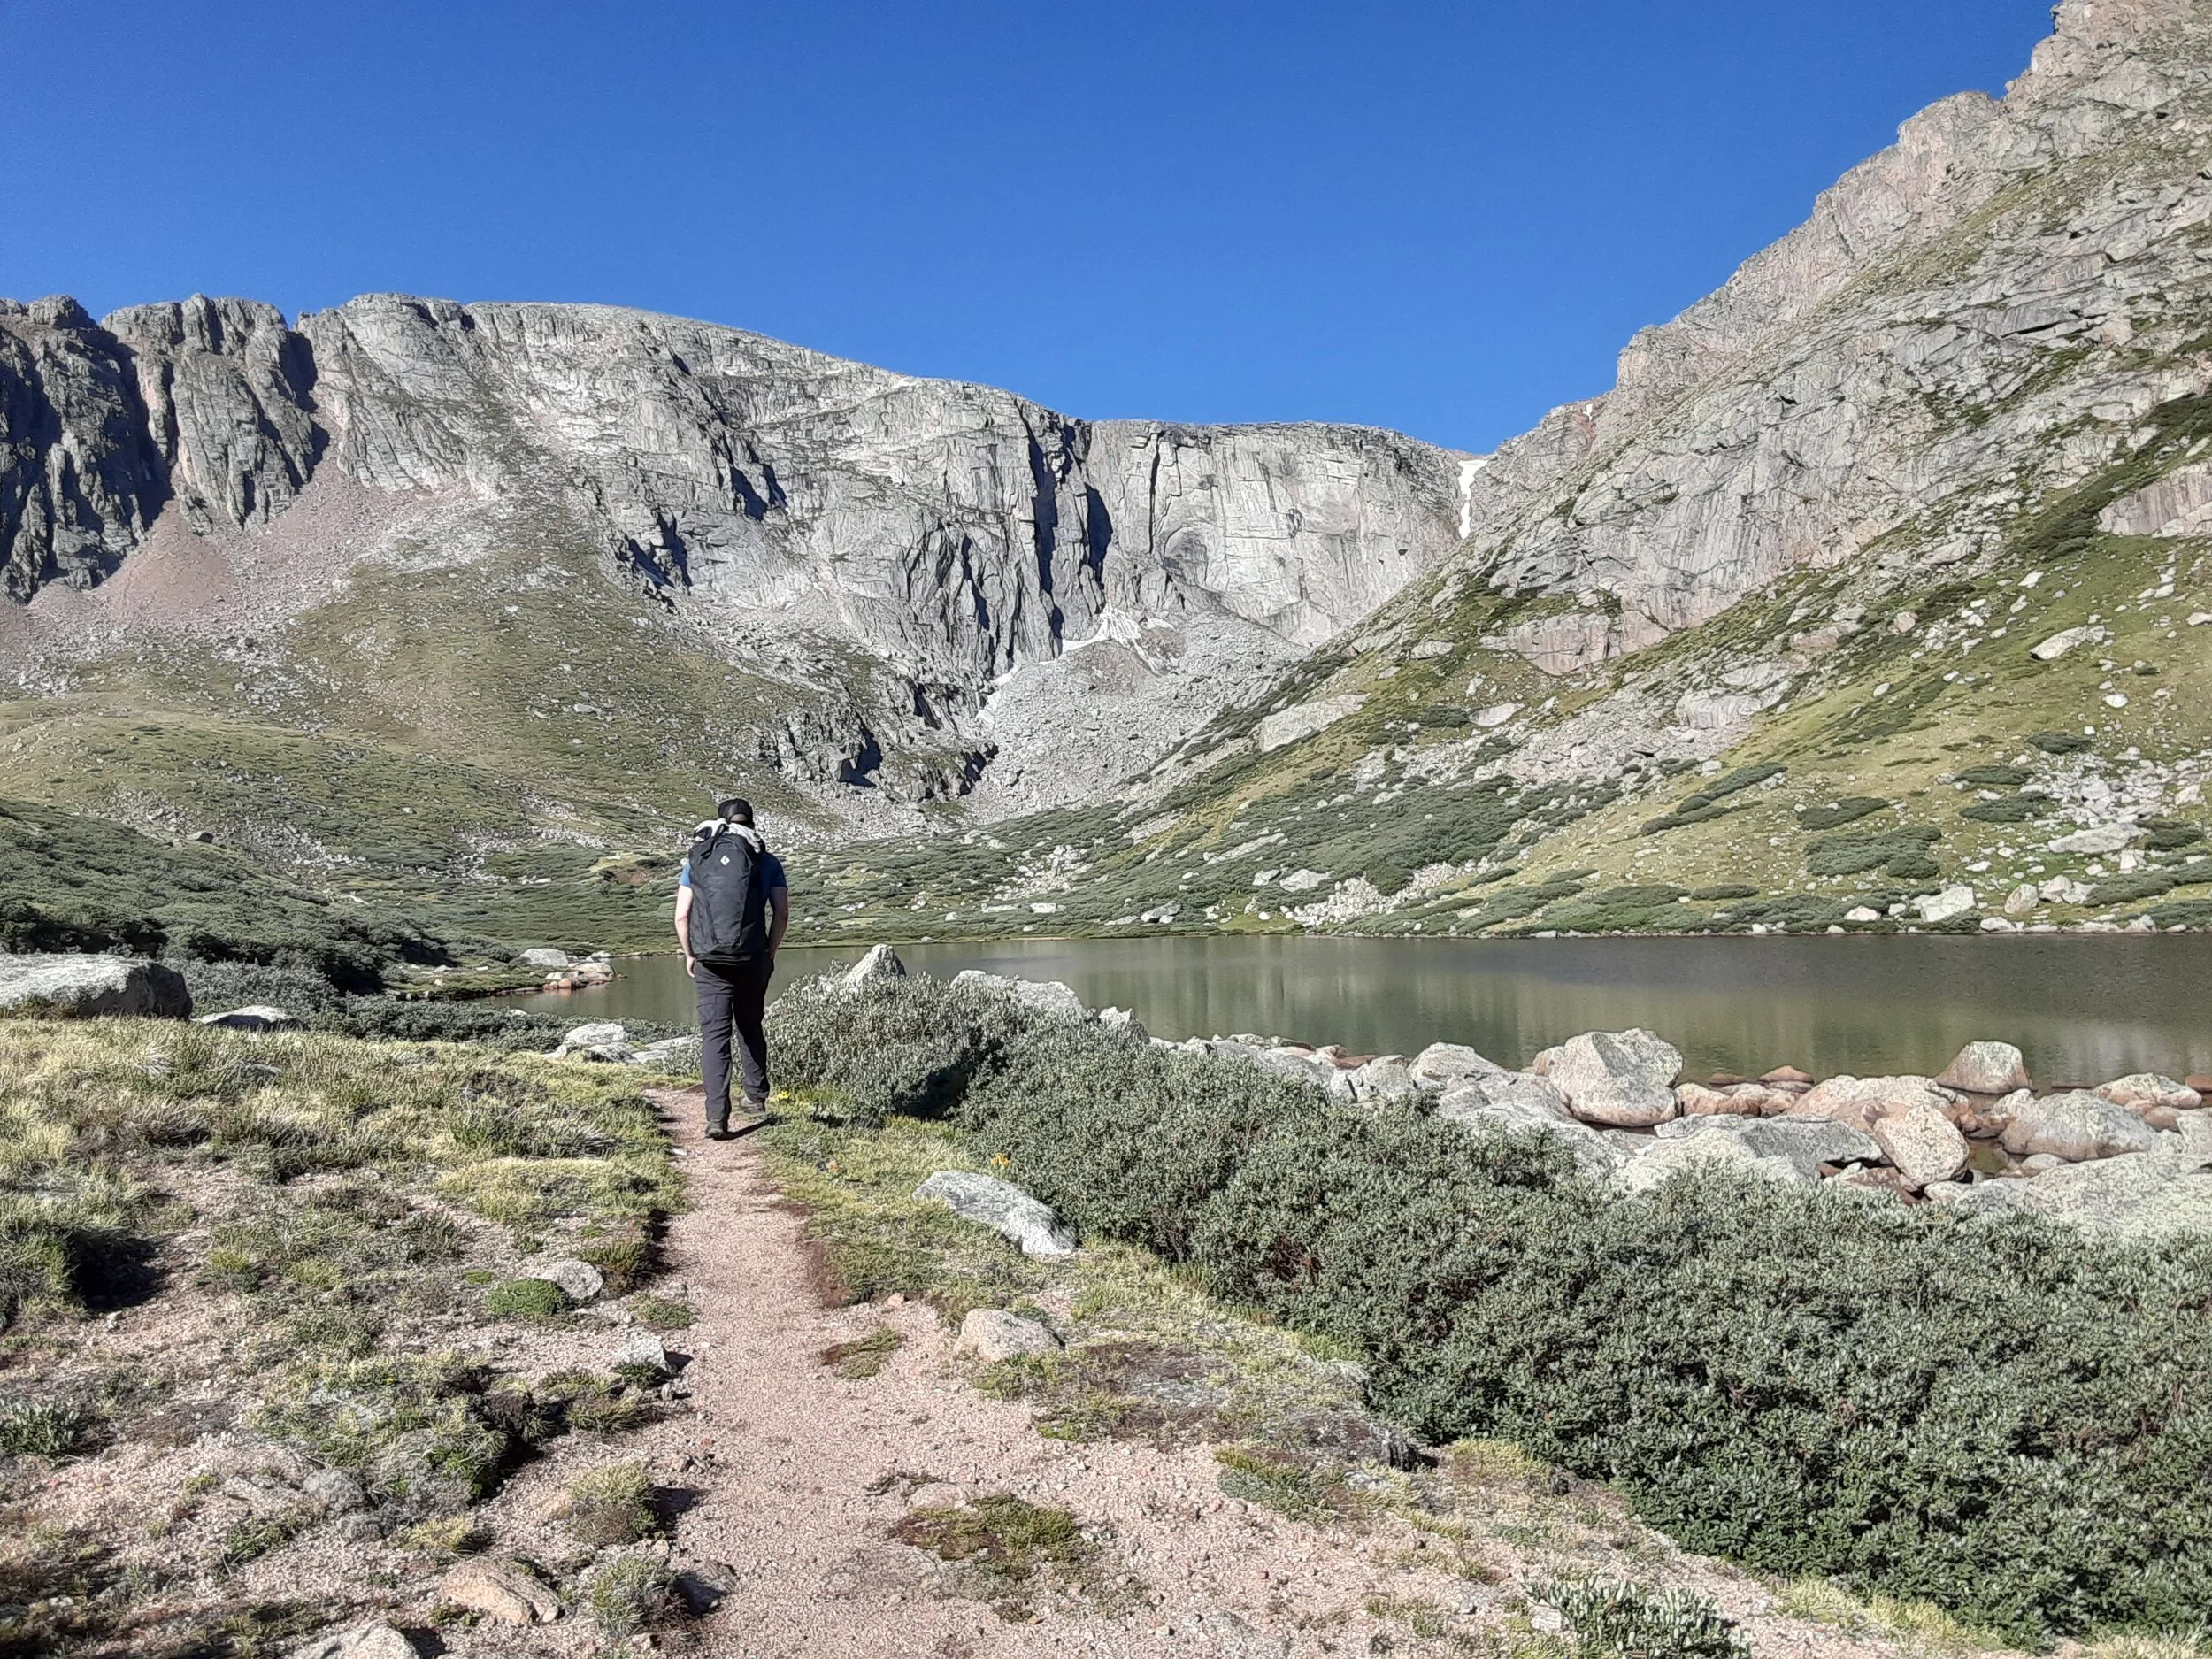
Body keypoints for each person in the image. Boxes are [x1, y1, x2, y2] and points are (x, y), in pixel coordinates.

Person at [672, 797, 788, 1140]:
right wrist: (769, 952)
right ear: (751, 823)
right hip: (753, 958)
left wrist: (691, 953)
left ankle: (716, 1119)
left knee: (714, 1036)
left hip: (710, 960)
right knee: (750, 1026)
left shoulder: (699, 859)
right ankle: (755, 1097)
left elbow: (681, 916)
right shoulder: (766, 861)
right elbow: (781, 914)